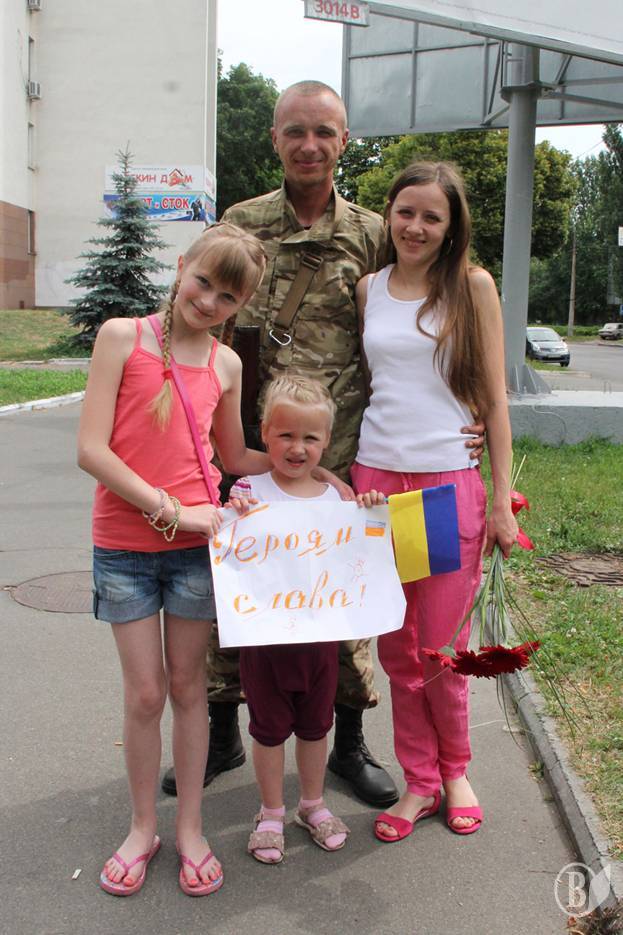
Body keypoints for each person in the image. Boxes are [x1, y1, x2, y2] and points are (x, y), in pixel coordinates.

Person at [161, 80, 485, 807]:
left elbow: (430, 319)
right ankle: (223, 734)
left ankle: (349, 744)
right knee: (240, 591)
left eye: (323, 132)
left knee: (346, 601)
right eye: (295, 131)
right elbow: (199, 318)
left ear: (342, 141)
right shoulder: (242, 222)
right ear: (275, 138)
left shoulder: (374, 231)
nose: (309, 145)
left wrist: (467, 409)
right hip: (248, 449)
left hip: (344, 455)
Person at [77, 222, 275, 896]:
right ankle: (143, 827)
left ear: (241, 304)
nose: (209, 301)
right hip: (125, 546)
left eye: (228, 297)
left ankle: (190, 826)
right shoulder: (121, 337)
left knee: (190, 689)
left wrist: (312, 470)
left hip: (195, 552)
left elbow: (234, 455)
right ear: (183, 265)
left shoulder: (226, 363)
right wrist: (172, 509)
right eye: (203, 282)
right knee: (145, 693)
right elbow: (92, 450)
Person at [351, 161, 518, 842]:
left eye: (431, 216)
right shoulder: (368, 289)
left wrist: (500, 499)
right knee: (396, 647)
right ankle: (419, 779)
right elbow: (378, 385)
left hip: (444, 487)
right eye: (405, 212)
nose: (415, 226)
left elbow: (495, 399)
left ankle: (456, 772)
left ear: (451, 228)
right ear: (388, 214)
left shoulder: (471, 286)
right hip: (377, 486)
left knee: (441, 647)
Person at [227, 375, 385, 863]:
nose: (297, 448)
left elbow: (361, 554)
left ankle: (312, 805)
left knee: (317, 727)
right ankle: (271, 812)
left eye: (310, 437)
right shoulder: (249, 490)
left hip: (320, 641)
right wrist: (234, 512)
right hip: (265, 643)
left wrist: (369, 513)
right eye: (285, 435)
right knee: (268, 730)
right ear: (264, 433)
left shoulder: (337, 500)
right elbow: (231, 547)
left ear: (327, 440)